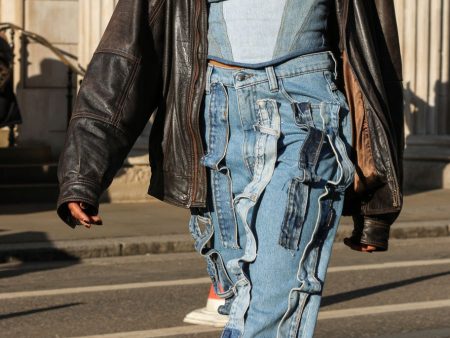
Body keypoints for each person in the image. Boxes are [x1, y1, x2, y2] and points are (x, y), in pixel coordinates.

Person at [56, 0, 404, 337]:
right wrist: (84, 170)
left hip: (305, 115)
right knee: (243, 298)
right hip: (213, 124)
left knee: (270, 302)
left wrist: (376, 205)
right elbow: (128, 52)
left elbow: (376, 58)